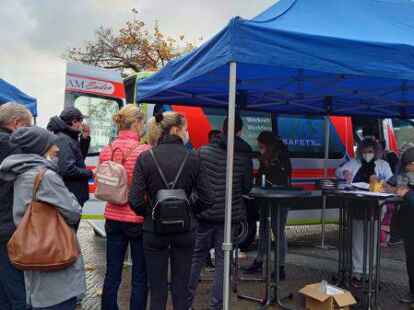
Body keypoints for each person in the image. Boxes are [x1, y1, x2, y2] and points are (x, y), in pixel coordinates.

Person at [129, 111, 214, 310]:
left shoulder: (145, 157)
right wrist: (189, 211)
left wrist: (152, 215)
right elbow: (208, 197)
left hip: (154, 231)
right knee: (181, 290)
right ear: (176, 130)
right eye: (186, 129)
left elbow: (134, 200)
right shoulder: (194, 157)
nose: (187, 133)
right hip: (185, 230)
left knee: (156, 290)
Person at [0, 127, 86, 310]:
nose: (57, 148)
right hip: (53, 257)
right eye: (51, 144)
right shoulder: (44, 176)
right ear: (40, 148)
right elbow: (74, 211)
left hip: (32, 252)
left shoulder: (18, 172)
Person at [188, 115, 253, 310]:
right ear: (239, 131)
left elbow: (192, 181)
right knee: (223, 263)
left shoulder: (202, 152)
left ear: (221, 129)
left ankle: (185, 302)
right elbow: (247, 188)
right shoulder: (243, 156)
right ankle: (216, 306)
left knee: (196, 258)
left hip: (204, 214)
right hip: (229, 217)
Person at [100, 105, 150, 310]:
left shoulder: (107, 149)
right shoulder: (144, 151)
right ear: (136, 123)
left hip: (112, 217)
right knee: (139, 274)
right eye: (143, 123)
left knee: (112, 271)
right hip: (136, 219)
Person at [336, 138, 393, 287]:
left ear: (376, 151)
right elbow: (339, 171)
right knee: (357, 238)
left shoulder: (383, 164)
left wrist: (382, 182)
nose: (368, 154)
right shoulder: (354, 163)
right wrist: (345, 173)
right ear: (360, 151)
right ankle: (357, 272)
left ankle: (370, 272)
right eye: (365, 151)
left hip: (375, 206)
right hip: (357, 204)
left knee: (372, 239)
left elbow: (390, 181)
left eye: (371, 151)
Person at [244, 131, 292, 279]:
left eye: (261, 146)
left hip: (280, 199)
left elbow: (283, 176)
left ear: (268, 145)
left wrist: (267, 164)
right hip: (265, 199)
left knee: (278, 230)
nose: (260, 148)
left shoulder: (282, 156)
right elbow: (261, 177)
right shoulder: (266, 156)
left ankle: (280, 267)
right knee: (264, 227)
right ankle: (259, 260)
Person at [0, 102, 32, 310]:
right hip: (8, 226)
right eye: (26, 128)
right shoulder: (14, 148)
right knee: (18, 292)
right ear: (16, 123)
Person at [47, 107, 93, 223]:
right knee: (68, 233)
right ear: (74, 121)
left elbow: (78, 158)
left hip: (72, 193)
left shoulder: (69, 137)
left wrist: (85, 139)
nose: (81, 125)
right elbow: (67, 169)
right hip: (71, 194)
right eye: (80, 122)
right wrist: (90, 173)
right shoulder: (64, 139)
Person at [386, 147, 414, 304]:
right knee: (411, 261)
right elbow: (390, 182)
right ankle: (412, 292)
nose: (404, 168)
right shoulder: (403, 175)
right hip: (409, 226)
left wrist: (408, 194)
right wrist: (394, 188)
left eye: (407, 165)